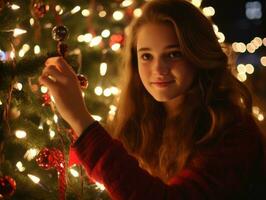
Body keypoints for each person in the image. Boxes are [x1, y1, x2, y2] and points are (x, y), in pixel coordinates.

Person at [39, 0, 266, 199]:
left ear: (198, 54)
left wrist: (81, 119)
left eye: (173, 54)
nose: (159, 69)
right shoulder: (142, 120)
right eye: (146, 56)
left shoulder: (232, 131)